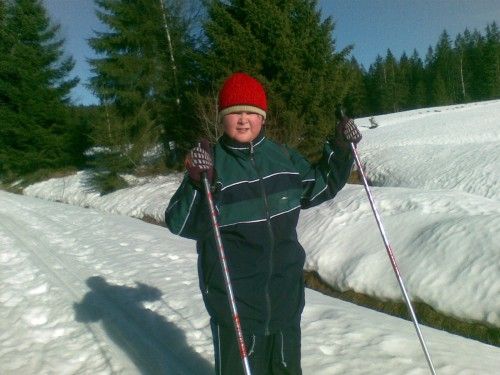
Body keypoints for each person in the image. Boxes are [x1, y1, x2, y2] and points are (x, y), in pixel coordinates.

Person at [165, 72, 361, 375]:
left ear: (263, 117)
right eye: (234, 113)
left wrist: (340, 147)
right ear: (222, 119)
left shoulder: (282, 157)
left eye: (252, 113)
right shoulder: (212, 163)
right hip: (236, 302)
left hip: (285, 295)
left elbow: (319, 186)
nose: (243, 120)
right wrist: (196, 183)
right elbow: (182, 223)